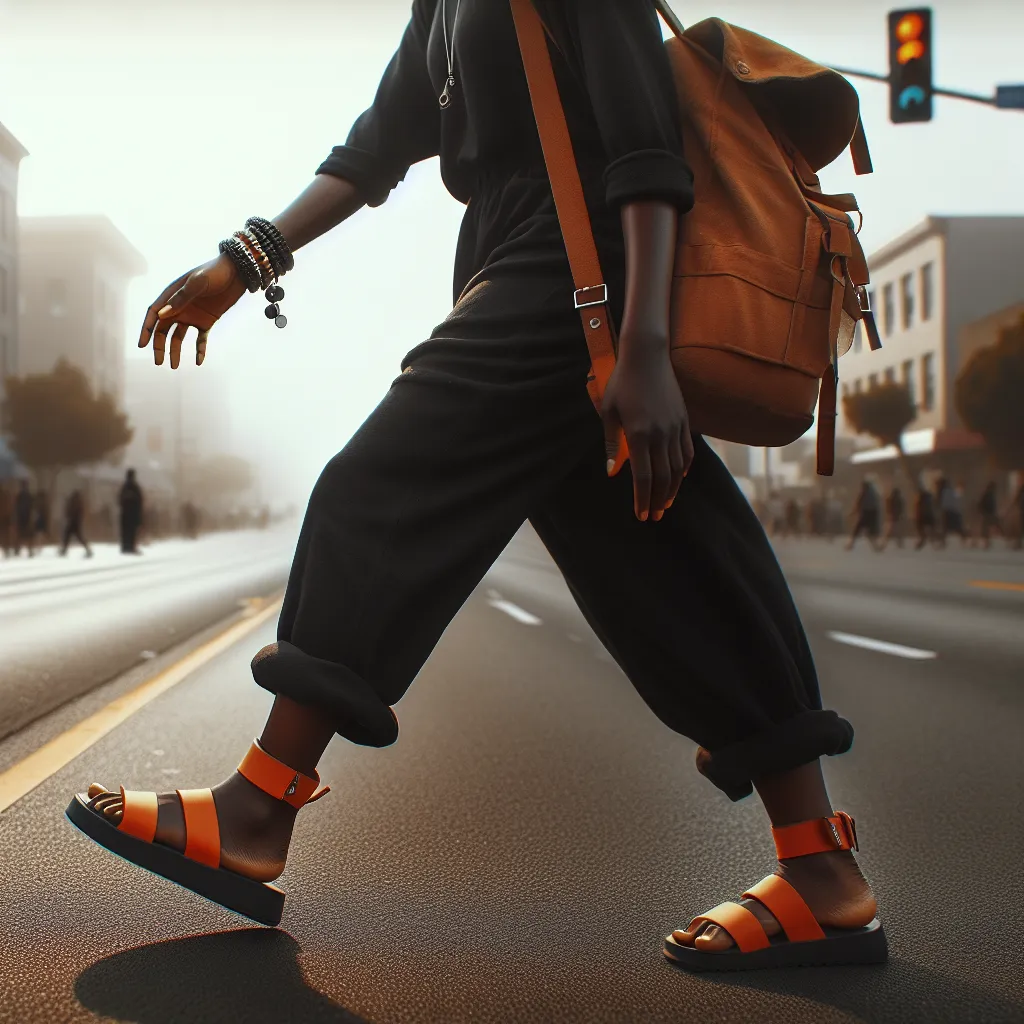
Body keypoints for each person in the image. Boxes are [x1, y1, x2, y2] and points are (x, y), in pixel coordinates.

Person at [69, 1, 881, 971]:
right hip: (516, 260)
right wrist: (243, 263)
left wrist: (647, 346)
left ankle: (256, 807)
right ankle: (821, 873)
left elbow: (646, 149)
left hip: (581, 268)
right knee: (674, 556)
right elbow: (374, 150)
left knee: (378, 487)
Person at [846, 478, 882, 551]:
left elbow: (858, 503)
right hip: (872, 515)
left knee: (857, 530)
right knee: (870, 532)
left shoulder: (864, 493)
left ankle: (850, 545)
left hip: (865, 514)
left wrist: (853, 512)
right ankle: (876, 547)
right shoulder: (874, 493)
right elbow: (877, 506)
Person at [59, 489, 93, 558]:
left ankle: (64, 550)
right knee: (71, 537)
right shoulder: (78, 503)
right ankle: (88, 550)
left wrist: (69, 518)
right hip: (75, 523)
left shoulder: (74, 503)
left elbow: (69, 512)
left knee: (69, 536)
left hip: (73, 523)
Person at [118, 468, 144, 554]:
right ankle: (131, 547)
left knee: (126, 531)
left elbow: (120, 499)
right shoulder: (135, 487)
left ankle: (125, 547)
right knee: (131, 531)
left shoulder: (124, 487)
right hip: (132, 514)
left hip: (125, 514)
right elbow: (140, 500)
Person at [977, 482, 1002, 550]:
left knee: (986, 528)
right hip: (988, 514)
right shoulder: (988, 495)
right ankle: (986, 543)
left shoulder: (988, 494)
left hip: (987, 514)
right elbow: (982, 504)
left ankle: (987, 542)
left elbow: (981, 504)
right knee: (987, 528)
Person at [914, 478, 938, 550]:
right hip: (930, 515)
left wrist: (917, 515)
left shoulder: (920, 497)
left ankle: (924, 541)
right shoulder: (930, 496)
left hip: (923, 516)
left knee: (921, 529)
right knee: (930, 530)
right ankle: (932, 542)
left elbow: (919, 507)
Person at [13, 480, 35, 557]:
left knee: (22, 534)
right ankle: (25, 550)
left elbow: (16, 507)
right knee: (26, 534)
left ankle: (20, 549)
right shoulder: (26, 495)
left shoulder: (22, 495)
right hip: (24, 517)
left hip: (23, 517)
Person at [881, 485, 905, 549]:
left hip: (893, 518)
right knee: (897, 532)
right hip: (896, 518)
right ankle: (900, 544)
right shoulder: (899, 500)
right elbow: (901, 509)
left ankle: (884, 545)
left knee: (889, 532)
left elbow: (889, 508)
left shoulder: (892, 499)